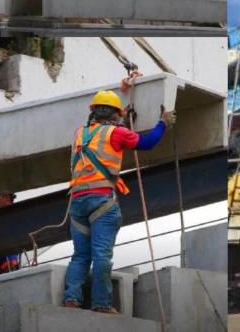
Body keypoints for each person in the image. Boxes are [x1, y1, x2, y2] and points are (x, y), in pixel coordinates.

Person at [62, 80, 176, 313]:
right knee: (102, 255)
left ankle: (71, 299)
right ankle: (102, 304)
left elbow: (100, 142)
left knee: (81, 256)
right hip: (102, 201)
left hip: (77, 202)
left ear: (93, 112)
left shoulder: (78, 135)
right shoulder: (116, 133)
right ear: (116, 115)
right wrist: (163, 123)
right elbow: (147, 143)